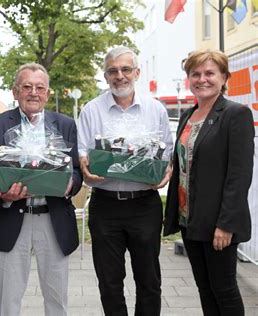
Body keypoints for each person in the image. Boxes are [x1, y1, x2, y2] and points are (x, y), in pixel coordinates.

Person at [77, 46, 173, 315]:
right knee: (109, 282)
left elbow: (167, 152)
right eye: (113, 70)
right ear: (105, 75)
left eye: (125, 69)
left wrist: (167, 171)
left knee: (149, 281)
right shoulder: (91, 111)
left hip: (145, 205)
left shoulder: (155, 109)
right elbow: (83, 152)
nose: (120, 75)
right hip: (105, 206)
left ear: (137, 72)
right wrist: (85, 166)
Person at [0, 63, 82, 316]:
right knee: (7, 299)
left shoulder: (66, 124)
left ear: (47, 93)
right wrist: (1, 194)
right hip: (12, 217)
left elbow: (77, 170)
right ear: (15, 92)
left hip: (54, 217)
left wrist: (69, 184)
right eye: (26, 87)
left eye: (39, 88)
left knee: (57, 298)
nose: (33, 93)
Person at [164, 49, 254, 315]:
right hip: (189, 219)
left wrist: (225, 225)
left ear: (224, 77)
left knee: (224, 290)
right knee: (205, 289)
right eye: (195, 74)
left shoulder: (235, 114)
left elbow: (239, 176)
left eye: (209, 73)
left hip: (218, 223)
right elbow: (184, 163)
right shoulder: (187, 116)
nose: (202, 79)